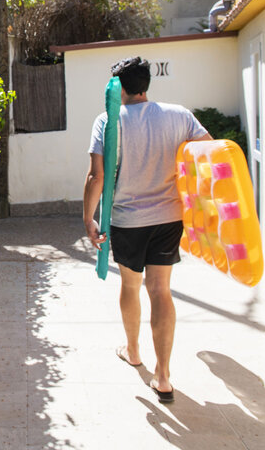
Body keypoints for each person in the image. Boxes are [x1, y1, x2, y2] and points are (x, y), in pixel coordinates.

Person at [82, 57, 211, 404]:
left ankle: (134, 351)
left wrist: (88, 219)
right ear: (145, 85)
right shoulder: (179, 115)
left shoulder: (107, 120)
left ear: (118, 88)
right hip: (169, 218)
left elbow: (97, 176)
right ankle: (164, 375)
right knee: (161, 291)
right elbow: (208, 152)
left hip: (126, 220)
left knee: (130, 285)